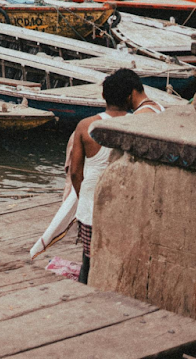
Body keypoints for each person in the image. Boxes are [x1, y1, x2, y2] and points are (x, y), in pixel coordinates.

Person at [68, 68, 160, 284]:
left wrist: (83, 198)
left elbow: (75, 172)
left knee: (89, 259)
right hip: (122, 201)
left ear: (103, 96)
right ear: (129, 96)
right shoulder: (136, 122)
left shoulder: (85, 125)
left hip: (91, 200)